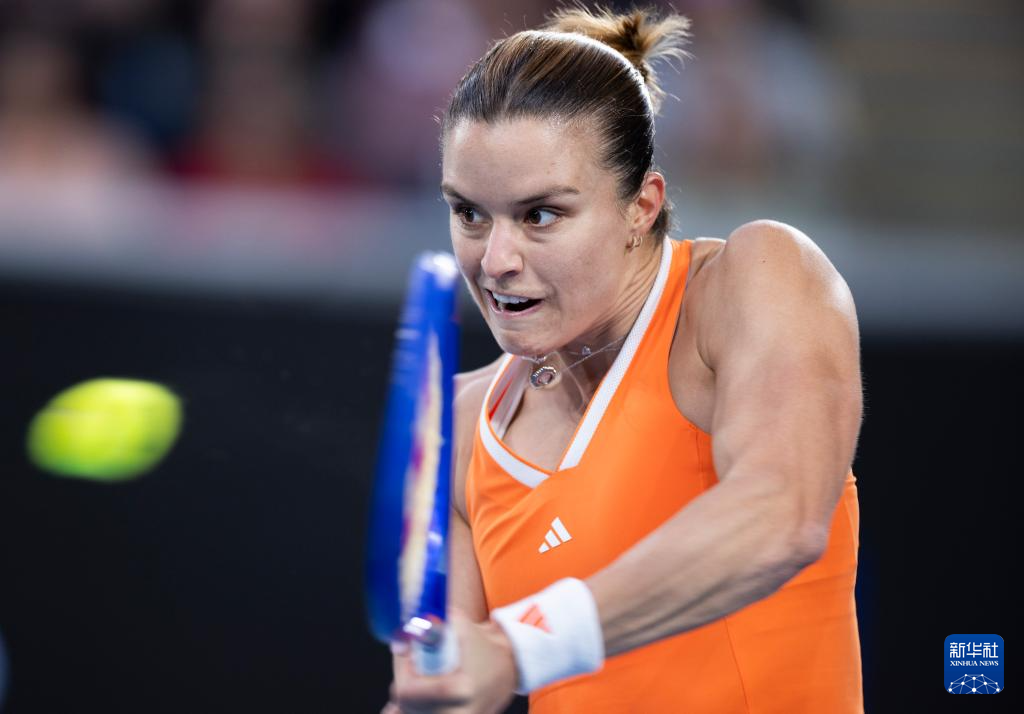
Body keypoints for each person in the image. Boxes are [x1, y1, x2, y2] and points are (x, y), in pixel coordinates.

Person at [386, 5, 863, 713]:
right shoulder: (457, 424)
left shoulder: (757, 279)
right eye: (470, 213)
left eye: (540, 214)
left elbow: (779, 517)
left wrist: (519, 646)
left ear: (641, 205)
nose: (495, 260)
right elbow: (451, 689)